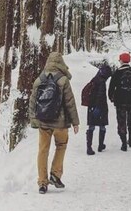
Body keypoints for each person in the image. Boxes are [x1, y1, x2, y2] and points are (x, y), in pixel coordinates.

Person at [28, 52, 80, 195]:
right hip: (60, 123)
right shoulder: (63, 80)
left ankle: (42, 182)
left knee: (43, 150)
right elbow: (70, 103)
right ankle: (55, 175)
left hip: (43, 122)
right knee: (61, 146)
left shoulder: (39, 80)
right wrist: (75, 122)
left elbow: (32, 101)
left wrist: (33, 119)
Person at [84, 63, 112, 155]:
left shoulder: (94, 79)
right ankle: (100, 145)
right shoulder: (102, 82)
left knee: (91, 126)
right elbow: (101, 95)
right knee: (102, 126)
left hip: (91, 106)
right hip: (100, 107)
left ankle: (89, 147)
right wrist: (99, 107)